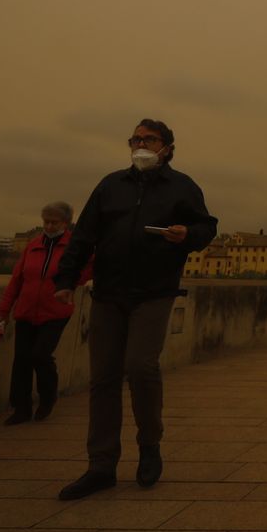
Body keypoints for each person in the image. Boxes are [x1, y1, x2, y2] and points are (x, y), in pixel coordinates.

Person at [51, 118, 217, 500]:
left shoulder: (182, 186)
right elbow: (84, 234)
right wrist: (65, 280)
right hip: (108, 292)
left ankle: (149, 444)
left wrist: (187, 235)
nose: (141, 144)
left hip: (154, 291)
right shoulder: (111, 185)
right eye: (136, 139)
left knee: (141, 367)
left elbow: (207, 228)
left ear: (168, 147)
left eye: (149, 139)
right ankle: (101, 464)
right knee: (104, 378)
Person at [0, 201, 91, 426]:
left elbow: (91, 266)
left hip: (56, 311)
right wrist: (3, 311)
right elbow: (17, 280)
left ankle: (48, 398)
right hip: (26, 310)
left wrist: (72, 282)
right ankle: (21, 408)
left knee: (40, 355)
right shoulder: (33, 245)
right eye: (46, 222)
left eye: (53, 222)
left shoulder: (75, 247)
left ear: (65, 223)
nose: (48, 226)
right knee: (22, 360)